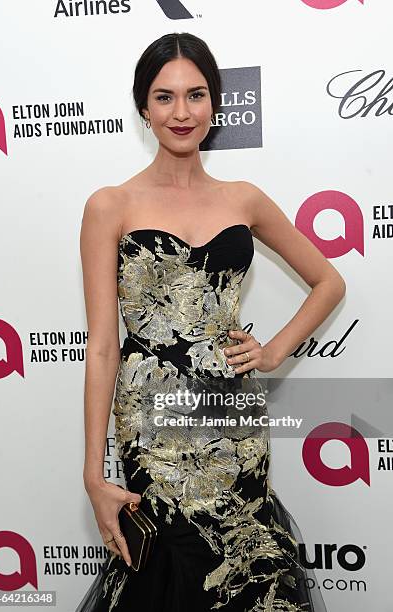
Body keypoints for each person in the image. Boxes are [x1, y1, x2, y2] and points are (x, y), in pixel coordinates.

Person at [75, 32, 343, 612]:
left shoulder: (243, 198)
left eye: (196, 95)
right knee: (167, 567)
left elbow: (329, 282)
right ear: (143, 107)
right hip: (151, 428)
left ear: (216, 104)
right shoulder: (109, 206)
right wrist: (95, 476)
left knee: (244, 564)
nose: (181, 112)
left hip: (234, 421)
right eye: (164, 96)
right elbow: (102, 348)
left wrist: (271, 353)